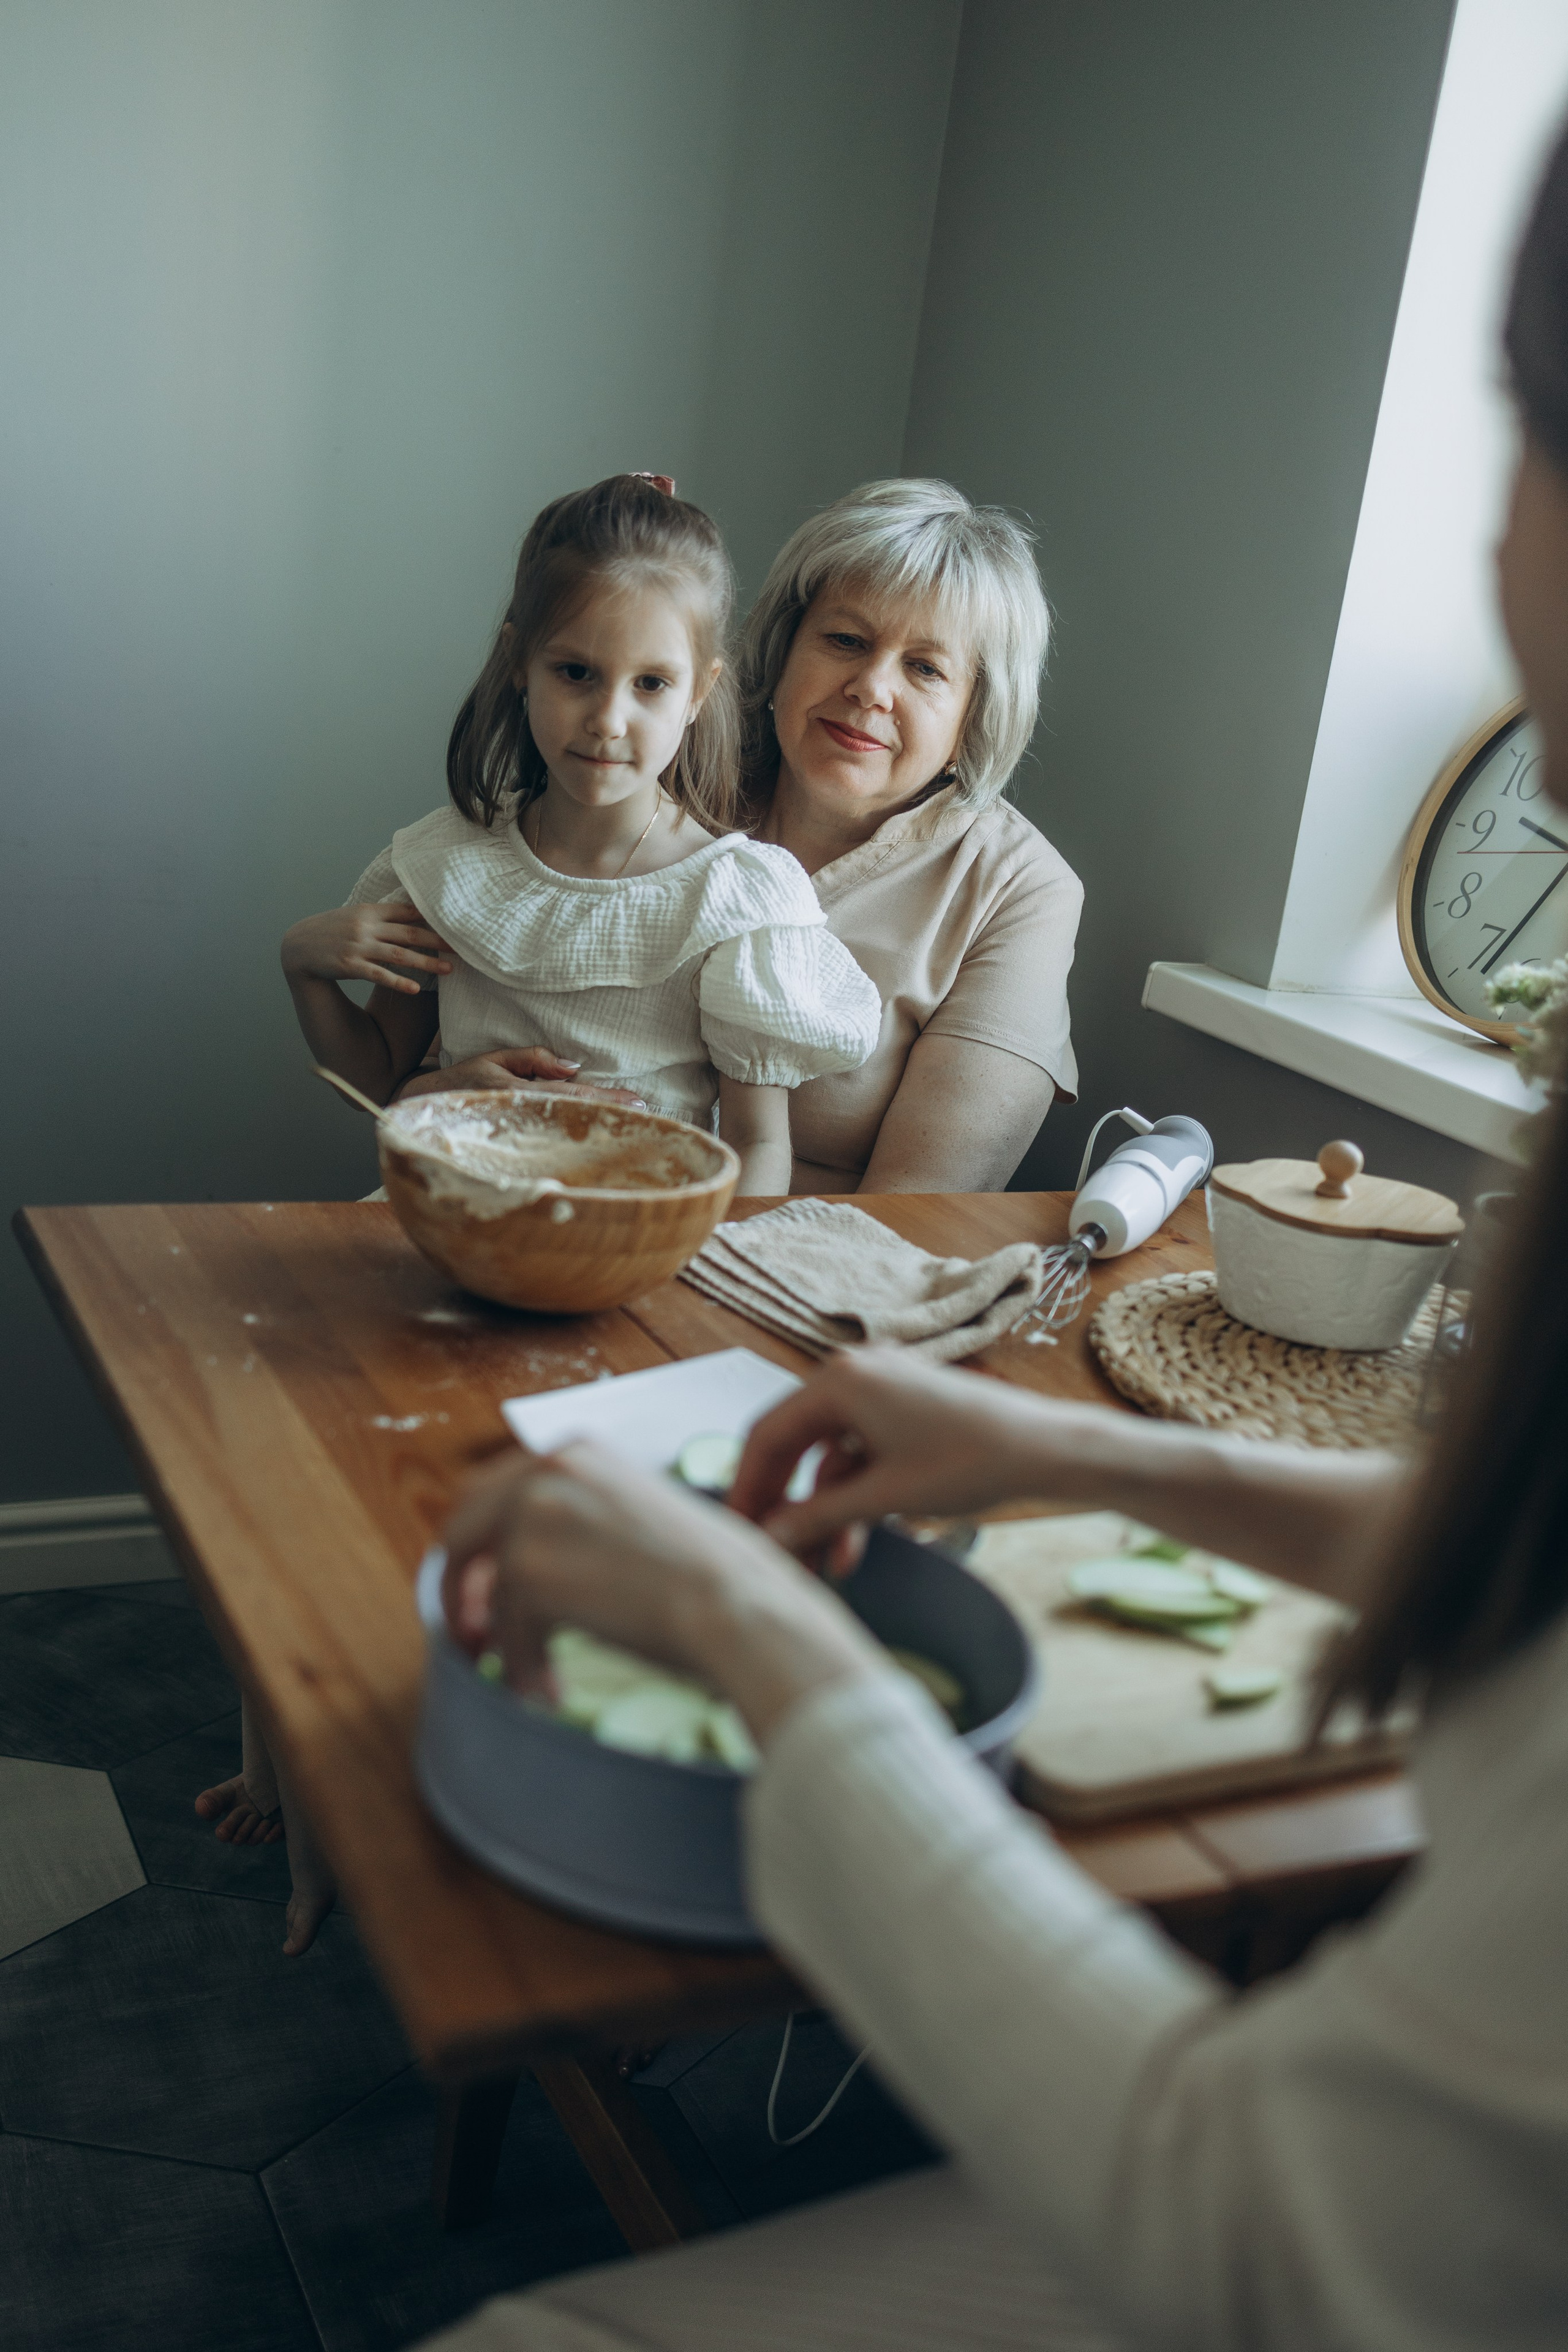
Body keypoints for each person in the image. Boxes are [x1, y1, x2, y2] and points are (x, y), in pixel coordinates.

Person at [416, 119, 1568, 2352]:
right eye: (833, 639)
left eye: (1513, 430)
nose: (869, 689)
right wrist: (1074, 1461)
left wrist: (754, 1636)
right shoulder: (647, 786)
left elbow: (1258, 2229)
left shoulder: (993, 888)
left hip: (736, 1343)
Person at [198, 475, 882, 1949]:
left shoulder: (736, 894)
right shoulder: (445, 860)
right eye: (576, 674)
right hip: (433, 1244)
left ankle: (497, 1774)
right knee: (288, 1475)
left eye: (647, 685)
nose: (606, 720)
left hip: (626, 1275)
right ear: (518, 658)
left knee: (511, 1539)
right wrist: (306, 961)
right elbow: (383, 1087)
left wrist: (632, 1158)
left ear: (699, 693)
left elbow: (755, 1162)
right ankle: (291, 1776)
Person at [739, 478, 1084, 1193]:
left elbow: (917, 1217)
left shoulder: (1019, 891)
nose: (871, 686)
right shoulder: (662, 779)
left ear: (973, 718)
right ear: (783, 651)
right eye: (845, 639)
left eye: (924, 667)